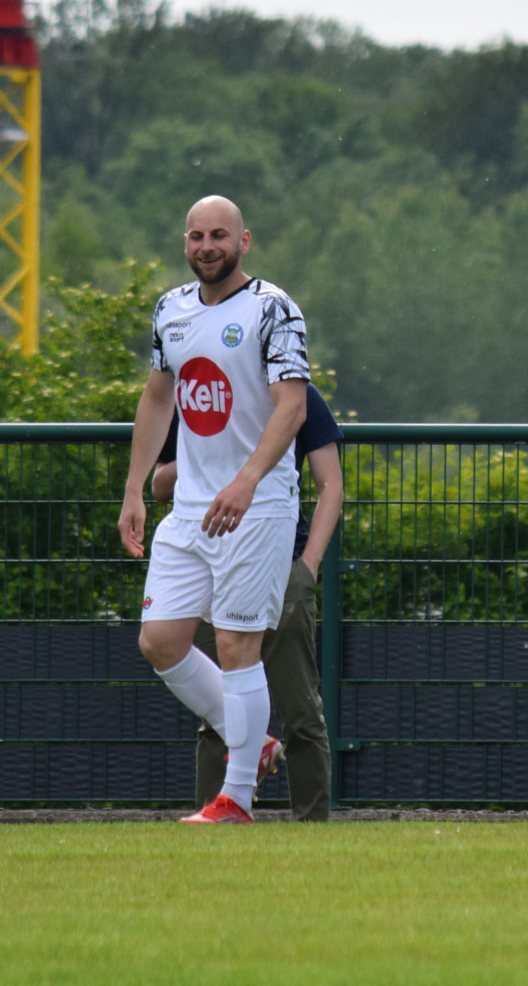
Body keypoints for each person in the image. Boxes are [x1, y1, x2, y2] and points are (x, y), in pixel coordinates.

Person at [118, 195, 310, 825]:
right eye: (197, 236)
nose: (207, 246)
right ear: (185, 241)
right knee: (160, 641)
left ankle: (237, 800)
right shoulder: (170, 310)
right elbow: (157, 398)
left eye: (219, 235)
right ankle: (252, 742)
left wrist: (247, 481)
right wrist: (134, 490)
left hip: (257, 507)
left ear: (243, 241)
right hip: (191, 511)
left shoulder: (273, 308)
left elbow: (292, 407)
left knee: (235, 645)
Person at [151, 380, 342, 821]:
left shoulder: (296, 394)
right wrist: (208, 455)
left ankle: (313, 830)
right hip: (211, 562)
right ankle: (216, 820)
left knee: (301, 711)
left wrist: (307, 567)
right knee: (219, 712)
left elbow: (331, 484)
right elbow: (159, 484)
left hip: (281, 562)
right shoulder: (197, 389)